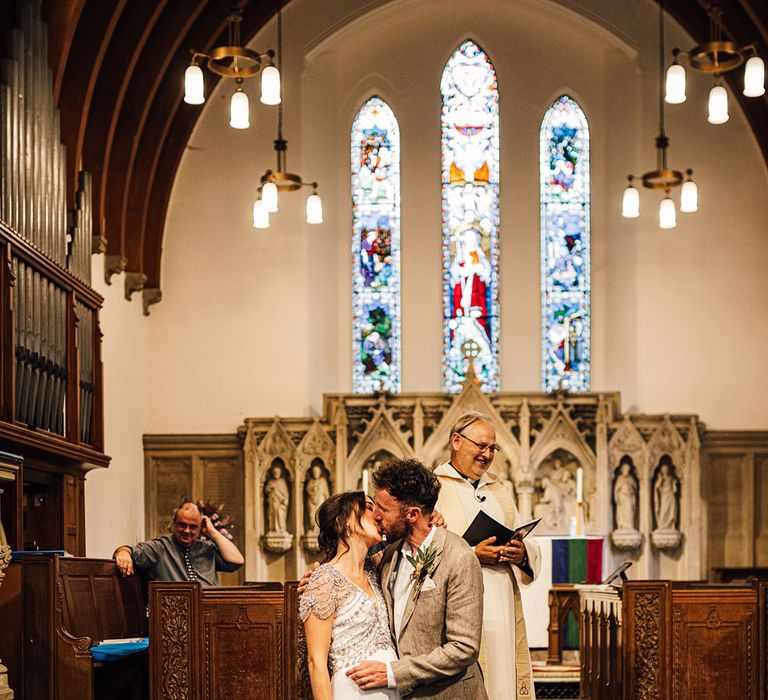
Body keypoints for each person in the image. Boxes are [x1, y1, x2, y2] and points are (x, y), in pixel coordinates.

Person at [300, 459, 486, 699]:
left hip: (448, 693)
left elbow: (464, 648)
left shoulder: (458, 557)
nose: (377, 516)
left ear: (412, 514)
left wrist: (393, 673)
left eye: (382, 509)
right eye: (371, 508)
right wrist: (315, 585)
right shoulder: (387, 556)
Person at [433, 411, 541, 700]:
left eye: (492, 448)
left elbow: (528, 540)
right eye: (481, 445)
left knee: (502, 681)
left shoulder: (500, 491)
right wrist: (471, 554)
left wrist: (521, 553)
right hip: (456, 606)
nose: (487, 454)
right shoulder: (434, 489)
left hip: (501, 603)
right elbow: (421, 550)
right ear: (456, 441)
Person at [300, 491, 399, 700]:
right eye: (368, 508)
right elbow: (315, 662)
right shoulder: (325, 579)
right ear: (343, 522)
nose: (377, 516)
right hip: (353, 692)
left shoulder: (374, 573)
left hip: (392, 691)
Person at [113, 501, 244, 586]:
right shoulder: (160, 547)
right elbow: (131, 550)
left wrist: (213, 532)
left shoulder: (207, 548)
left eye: (193, 527)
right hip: (175, 618)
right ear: (174, 524)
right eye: (182, 525)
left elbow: (237, 561)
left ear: (200, 528)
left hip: (210, 614)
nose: (187, 531)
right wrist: (123, 552)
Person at [305, 464, 330, 534]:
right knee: (311, 515)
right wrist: (313, 489)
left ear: (320, 472)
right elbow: (307, 489)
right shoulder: (311, 481)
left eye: (317, 472)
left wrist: (327, 503)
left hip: (320, 500)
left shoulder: (323, 481)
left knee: (319, 514)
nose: (315, 473)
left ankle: (319, 529)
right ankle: (313, 528)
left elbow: (326, 493)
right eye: (314, 472)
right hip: (311, 502)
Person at [265, 465, 290, 534]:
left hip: (281, 503)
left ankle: (281, 528)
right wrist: (270, 488)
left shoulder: (282, 482)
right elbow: (266, 490)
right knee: (272, 515)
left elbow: (285, 493)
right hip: (273, 502)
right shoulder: (271, 482)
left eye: (277, 472)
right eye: (275, 472)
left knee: (280, 514)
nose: (276, 473)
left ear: (280, 473)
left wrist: (285, 500)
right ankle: (273, 529)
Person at [614, 462, 638, 531]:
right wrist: (617, 497)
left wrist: (630, 484)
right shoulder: (620, 478)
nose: (626, 470)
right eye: (625, 469)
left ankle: (629, 525)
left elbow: (635, 487)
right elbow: (616, 489)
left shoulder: (631, 478)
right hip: (622, 498)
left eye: (628, 469)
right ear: (622, 470)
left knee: (630, 510)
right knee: (621, 512)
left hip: (629, 497)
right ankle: (622, 525)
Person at [654, 462, 678, 531]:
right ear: (662, 470)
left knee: (672, 510)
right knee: (664, 510)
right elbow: (656, 487)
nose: (665, 470)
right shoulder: (661, 478)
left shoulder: (671, 478)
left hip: (671, 496)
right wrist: (660, 479)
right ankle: (662, 525)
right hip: (664, 496)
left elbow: (674, 489)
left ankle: (670, 525)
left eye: (666, 469)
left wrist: (674, 484)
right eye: (663, 469)